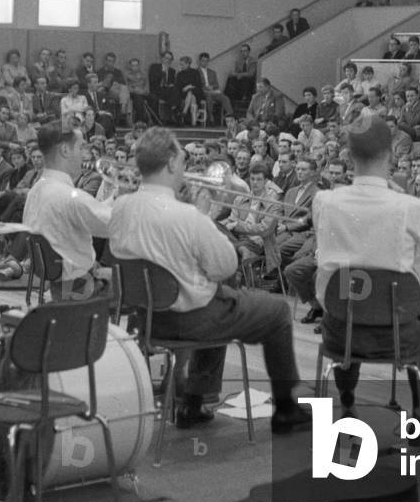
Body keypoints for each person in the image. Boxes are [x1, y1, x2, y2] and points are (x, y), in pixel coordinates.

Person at [105, 127, 311, 433]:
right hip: (189, 319)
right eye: (183, 162)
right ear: (173, 163)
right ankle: (284, 408)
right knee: (277, 312)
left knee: (221, 295)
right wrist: (202, 216)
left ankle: (195, 400)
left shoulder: (120, 208)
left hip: (145, 318)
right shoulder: (188, 217)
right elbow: (225, 264)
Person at [313, 113, 420, 413]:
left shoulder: (325, 201)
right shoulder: (414, 207)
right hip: (397, 334)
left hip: (341, 331)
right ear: (391, 153)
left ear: (350, 154)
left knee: (349, 302)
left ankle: (347, 400)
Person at [22, 123, 118, 295]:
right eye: (81, 147)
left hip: (60, 281)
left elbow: (91, 213)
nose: (84, 154)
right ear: (65, 151)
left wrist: (115, 197)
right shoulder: (70, 197)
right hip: (82, 289)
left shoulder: (36, 190)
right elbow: (114, 225)